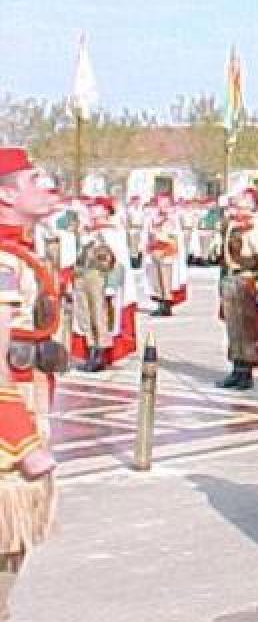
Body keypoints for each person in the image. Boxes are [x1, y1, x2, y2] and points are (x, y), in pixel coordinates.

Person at [0, 148, 62, 618]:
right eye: (35, 179)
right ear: (5, 194)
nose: (50, 186)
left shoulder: (21, 253)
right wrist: (23, 440)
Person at [216, 188, 258, 390]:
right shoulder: (231, 224)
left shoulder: (256, 224)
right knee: (233, 328)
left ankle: (246, 372)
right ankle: (236, 367)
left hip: (247, 279)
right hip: (231, 278)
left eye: (241, 202)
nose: (236, 205)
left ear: (251, 204)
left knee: (247, 328)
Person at [71, 198, 129, 372]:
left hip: (100, 278)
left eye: (96, 208)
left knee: (99, 316)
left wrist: (112, 285)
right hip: (83, 276)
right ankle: (90, 349)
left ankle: (99, 354)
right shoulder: (86, 230)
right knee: (84, 316)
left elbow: (118, 261)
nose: (92, 211)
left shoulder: (113, 232)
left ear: (106, 211)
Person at [143, 193, 187, 316]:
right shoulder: (151, 218)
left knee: (166, 279)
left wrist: (168, 245)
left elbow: (175, 236)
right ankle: (160, 302)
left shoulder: (173, 218)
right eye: (160, 204)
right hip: (153, 251)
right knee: (155, 279)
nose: (162, 207)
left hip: (167, 252)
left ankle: (166, 304)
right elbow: (147, 234)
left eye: (165, 204)